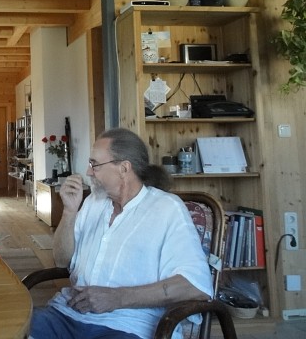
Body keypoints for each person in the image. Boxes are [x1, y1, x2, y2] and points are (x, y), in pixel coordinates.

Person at [30, 128, 213, 339]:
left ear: (124, 168)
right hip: (66, 314)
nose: (88, 172)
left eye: (94, 164)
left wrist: (117, 298)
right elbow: (62, 260)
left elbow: (195, 286)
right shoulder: (93, 202)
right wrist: (69, 212)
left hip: (128, 326)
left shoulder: (166, 209)